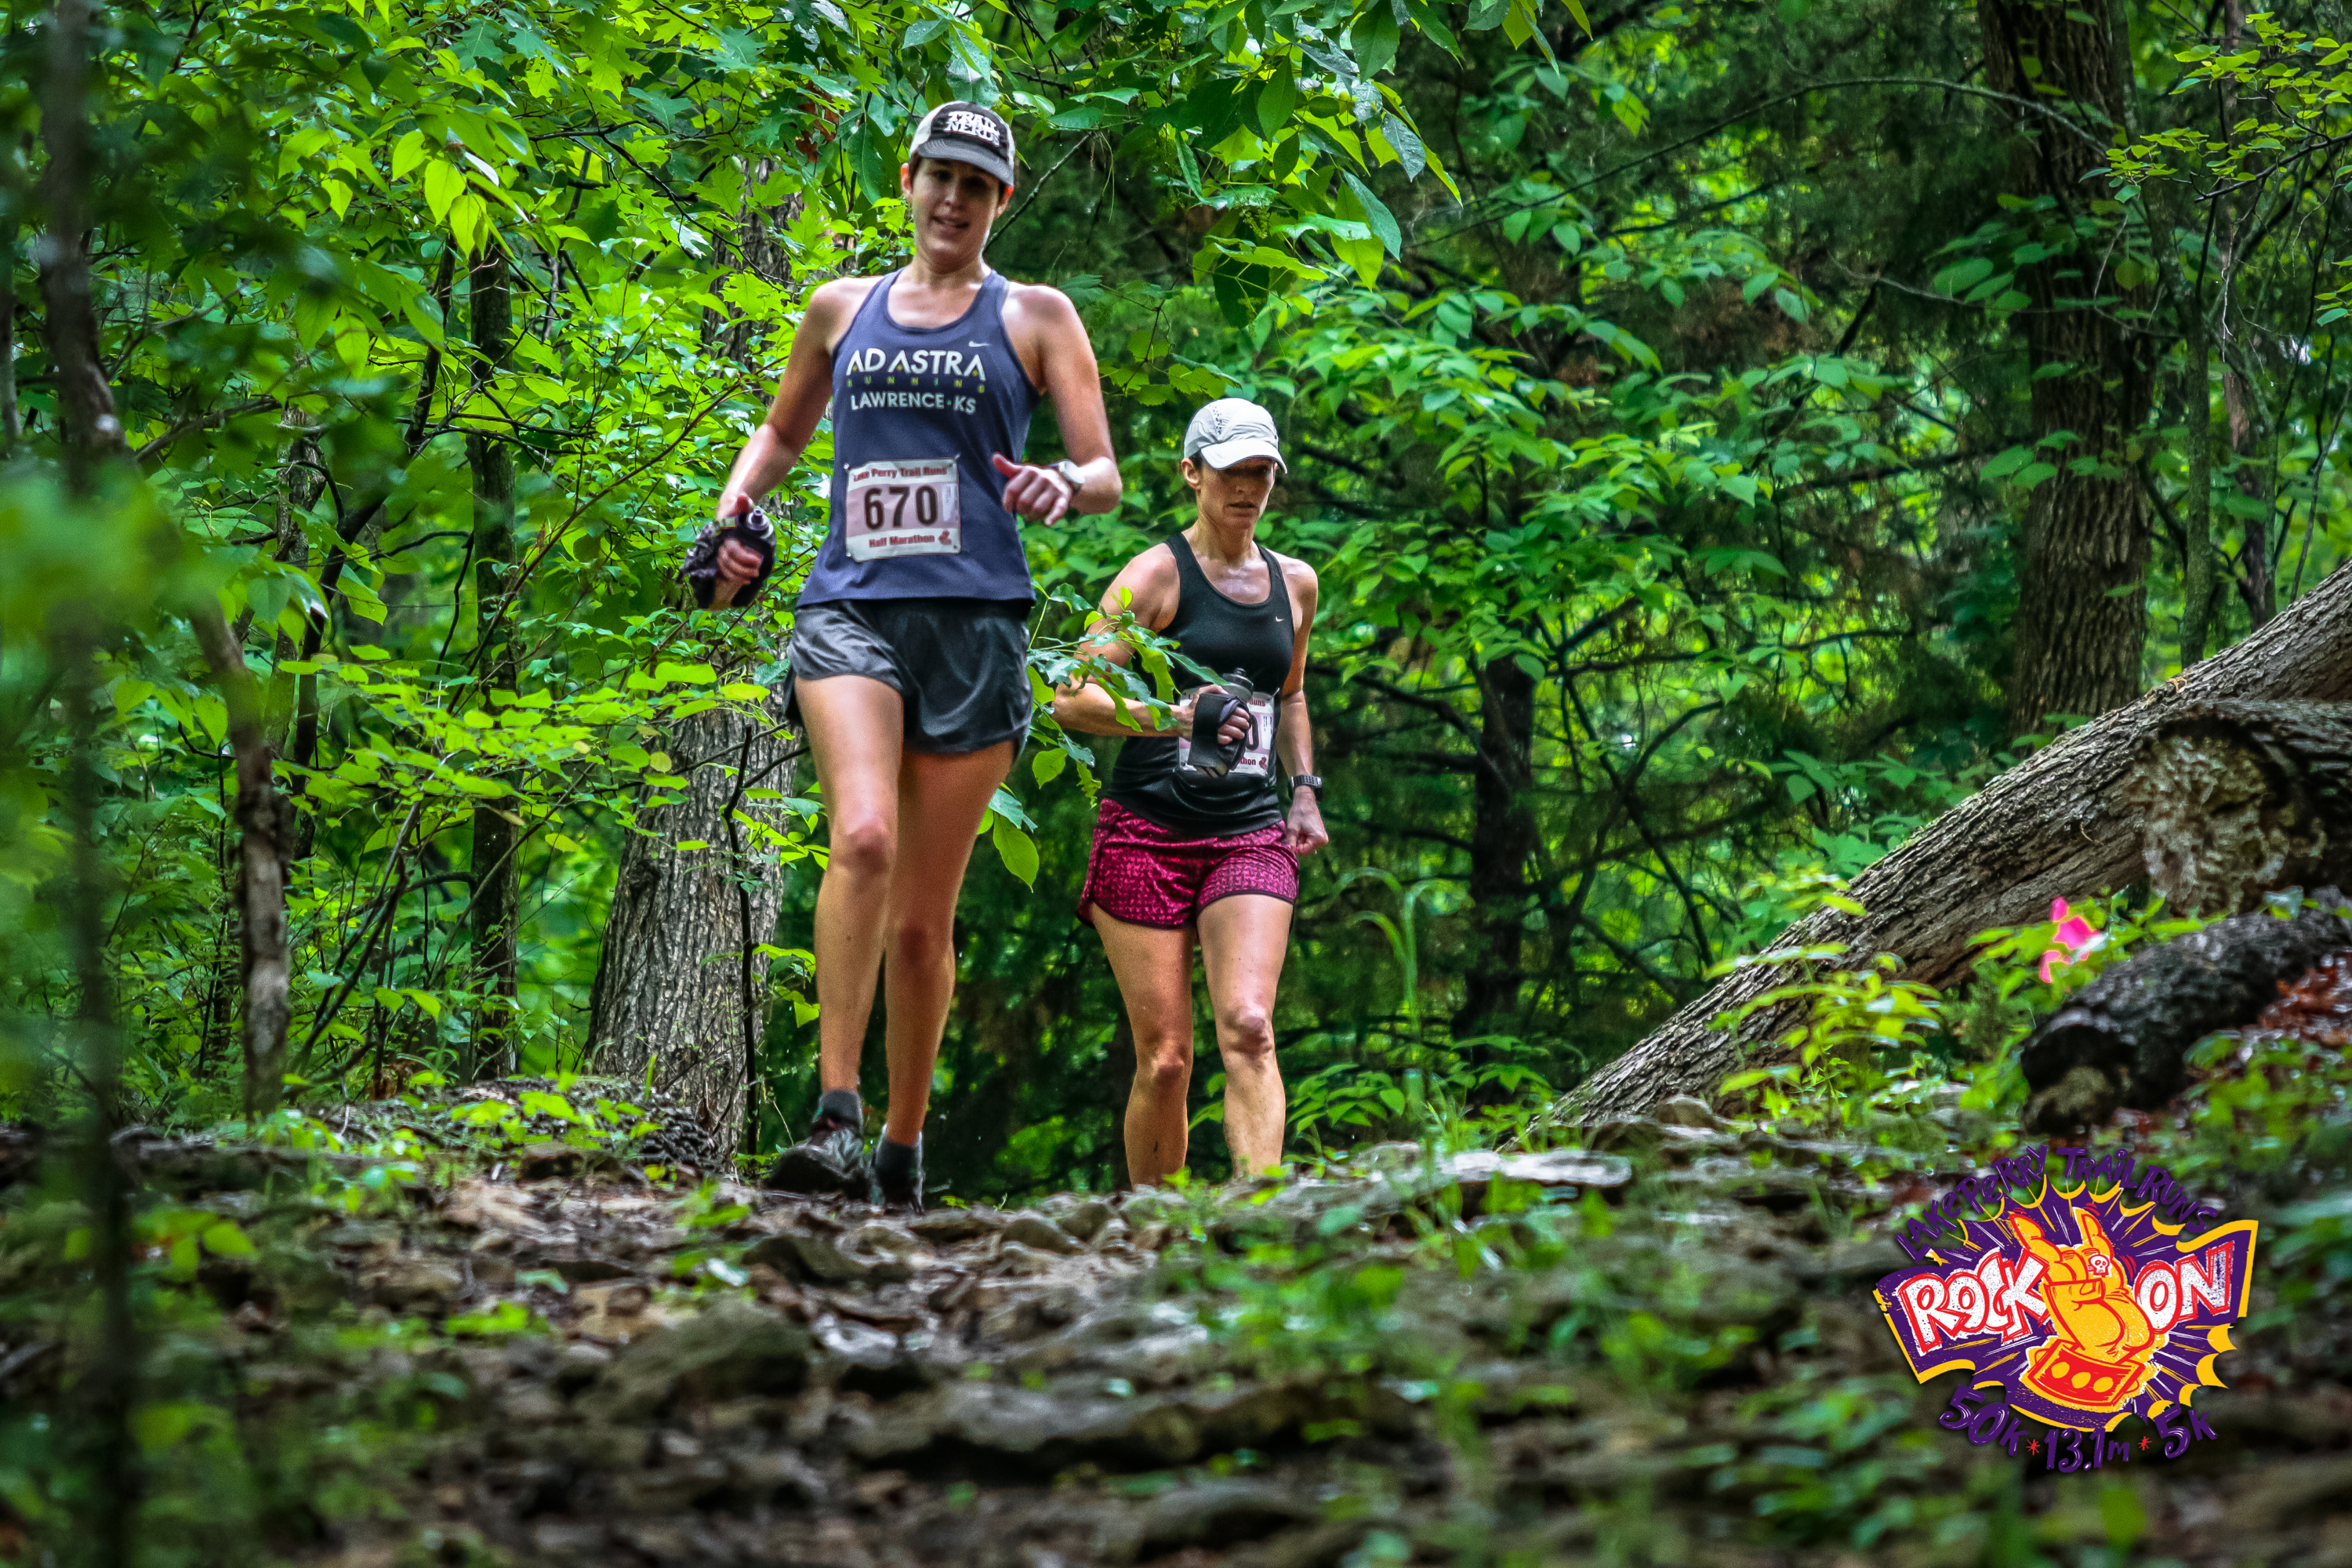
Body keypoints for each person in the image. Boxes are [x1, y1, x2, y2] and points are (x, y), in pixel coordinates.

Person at [699, 100, 1120, 1208]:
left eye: (975, 185)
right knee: (865, 835)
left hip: (977, 624)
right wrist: (734, 515)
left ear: (1000, 203)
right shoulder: (842, 309)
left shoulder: (1036, 316)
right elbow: (785, 432)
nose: (952, 198)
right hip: (851, 608)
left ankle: (902, 1146)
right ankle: (834, 1118)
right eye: (939, 175)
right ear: (907, 179)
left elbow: (1103, 470)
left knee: (927, 923)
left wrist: (1061, 488)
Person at [1050, 398, 1327, 1186]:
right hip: (1146, 830)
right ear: (1191, 471)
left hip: (1248, 828)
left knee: (1249, 1026)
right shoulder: (1154, 576)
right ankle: (1155, 1228)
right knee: (1166, 1057)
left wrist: (1303, 787)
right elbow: (1070, 696)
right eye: (1232, 469)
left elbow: (1293, 693)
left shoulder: (1295, 584)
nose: (1247, 487)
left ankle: (1256, 1219)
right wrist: (1167, 718)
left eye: (1261, 472)